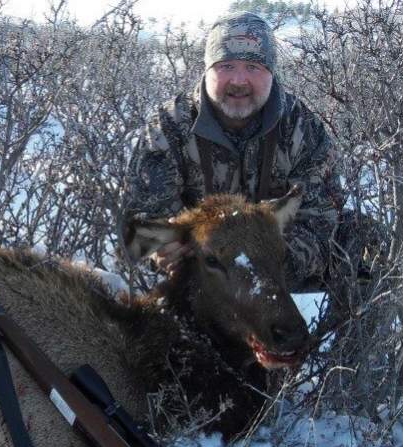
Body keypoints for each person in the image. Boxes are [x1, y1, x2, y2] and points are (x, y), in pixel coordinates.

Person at [119, 11, 366, 296]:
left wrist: (267, 262)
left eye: (252, 67)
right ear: (207, 69)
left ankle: (351, 341)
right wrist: (162, 250)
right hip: (202, 273)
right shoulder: (169, 126)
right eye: (226, 65)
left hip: (276, 269)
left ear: (271, 72)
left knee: (365, 239)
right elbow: (139, 224)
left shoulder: (300, 126)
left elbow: (321, 220)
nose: (239, 80)